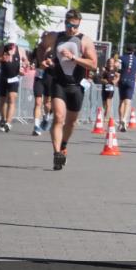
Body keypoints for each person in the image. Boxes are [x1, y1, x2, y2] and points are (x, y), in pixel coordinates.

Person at [44, 9, 97, 170]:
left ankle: (64, 144)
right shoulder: (55, 37)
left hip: (76, 87)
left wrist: (74, 58)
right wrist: (43, 60)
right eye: (68, 25)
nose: (71, 29)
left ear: (79, 25)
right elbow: (41, 46)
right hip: (59, 83)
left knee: (71, 122)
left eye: (74, 26)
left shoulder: (85, 41)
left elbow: (93, 65)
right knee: (59, 118)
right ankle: (56, 154)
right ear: (65, 22)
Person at [0, 40, 25, 132]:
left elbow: (26, 62)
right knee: (2, 101)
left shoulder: (20, 50)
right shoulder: (2, 49)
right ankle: (3, 118)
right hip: (3, 78)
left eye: (13, 45)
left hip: (14, 78)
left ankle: (8, 122)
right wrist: (1, 58)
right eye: (10, 45)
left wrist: (24, 68)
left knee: (12, 99)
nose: (11, 47)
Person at [31, 31, 56, 136]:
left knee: (47, 103)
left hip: (50, 78)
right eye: (42, 38)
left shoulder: (55, 51)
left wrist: (51, 64)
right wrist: (32, 65)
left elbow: (58, 67)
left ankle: (46, 118)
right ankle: (36, 126)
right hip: (39, 78)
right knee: (37, 102)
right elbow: (31, 61)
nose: (43, 40)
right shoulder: (37, 50)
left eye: (45, 38)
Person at [117, 45, 136, 132]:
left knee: (121, 101)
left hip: (122, 79)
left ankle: (120, 121)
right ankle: (124, 119)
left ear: (126, 50)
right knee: (128, 102)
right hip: (131, 81)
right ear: (134, 51)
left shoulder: (122, 57)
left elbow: (117, 66)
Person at [100, 56, 119, 123]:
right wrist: (103, 80)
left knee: (108, 103)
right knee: (104, 104)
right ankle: (107, 115)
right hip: (104, 88)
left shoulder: (115, 70)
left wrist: (115, 81)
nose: (110, 63)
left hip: (110, 88)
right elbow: (100, 78)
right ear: (107, 63)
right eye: (109, 62)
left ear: (113, 63)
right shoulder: (104, 70)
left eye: (111, 62)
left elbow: (119, 76)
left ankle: (106, 118)